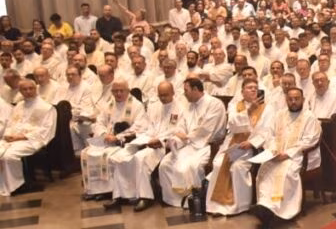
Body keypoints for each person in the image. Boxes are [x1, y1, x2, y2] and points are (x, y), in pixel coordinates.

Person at [251, 87, 321, 229]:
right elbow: (269, 135)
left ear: (303, 99)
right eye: (290, 99)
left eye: (297, 99)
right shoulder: (279, 115)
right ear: (286, 100)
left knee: (287, 174)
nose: (293, 102)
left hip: (295, 157)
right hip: (276, 155)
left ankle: (279, 210)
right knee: (264, 171)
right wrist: (273, 150)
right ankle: (264, 205)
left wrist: (287, 154)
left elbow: (310, 140)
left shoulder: (309, 117)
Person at [111, 80, 183, 211]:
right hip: (147, 139)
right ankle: (121, 195)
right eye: (160, 95)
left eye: (165, 95)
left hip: (162, 145)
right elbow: (147, 125)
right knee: (120, 156)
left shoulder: (180, 108)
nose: (162, 98)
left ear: (173, 93)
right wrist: (140, 138)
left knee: (140, 158)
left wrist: (159, 140)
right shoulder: (155, 106)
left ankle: (146, 197)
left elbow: (177, 130)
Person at [157, 77, 228, 208]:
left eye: (186, 90)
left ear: (195, 89)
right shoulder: (189, 105)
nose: (184, 94)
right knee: (165, 164)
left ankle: (193, 201)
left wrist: (186, 137)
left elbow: (206, 129)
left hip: (207, 145)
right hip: (189, 144)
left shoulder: (215, 104)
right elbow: (181, 125)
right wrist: (178, 136)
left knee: (189, 167)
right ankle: (173, 200)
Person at [207, 79, 271, 216]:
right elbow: (232, 125)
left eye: (255, 87)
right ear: (242, 92)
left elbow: (267, 130)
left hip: (253, 148)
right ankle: (217, 205)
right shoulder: (235, 106)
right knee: (218, 164)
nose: (253, 89)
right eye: (249, 87)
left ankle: (240, 206)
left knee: (237, 167)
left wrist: (252, 143)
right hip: (234, 144)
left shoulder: (267, 108)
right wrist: (249, 111)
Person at [80, 79, 143, 200]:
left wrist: (118, 137)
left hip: (124, 143)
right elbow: (99, 122)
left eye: (121, 91)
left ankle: (110, 191)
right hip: (107, 140)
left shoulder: (137, 106)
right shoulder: (109, 104)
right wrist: (104, 134)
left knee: (108, 157)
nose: (118, 94)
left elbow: (139, 127)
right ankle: (94, 190)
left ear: (128, 91)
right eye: (115, 91)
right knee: (87, 153)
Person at [0, 79, 56, 196]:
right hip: (14, 139)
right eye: (24, 89)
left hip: (32, 141)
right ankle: (4, 183)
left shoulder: (46, 108)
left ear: (36, 88)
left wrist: (21, 137)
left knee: (8, 156)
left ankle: (18, 185)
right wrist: (9, 135)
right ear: (20, 91)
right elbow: (10, 123)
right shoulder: (19, 105)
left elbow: (46, 131)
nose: (28, 91)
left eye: (31, 88)